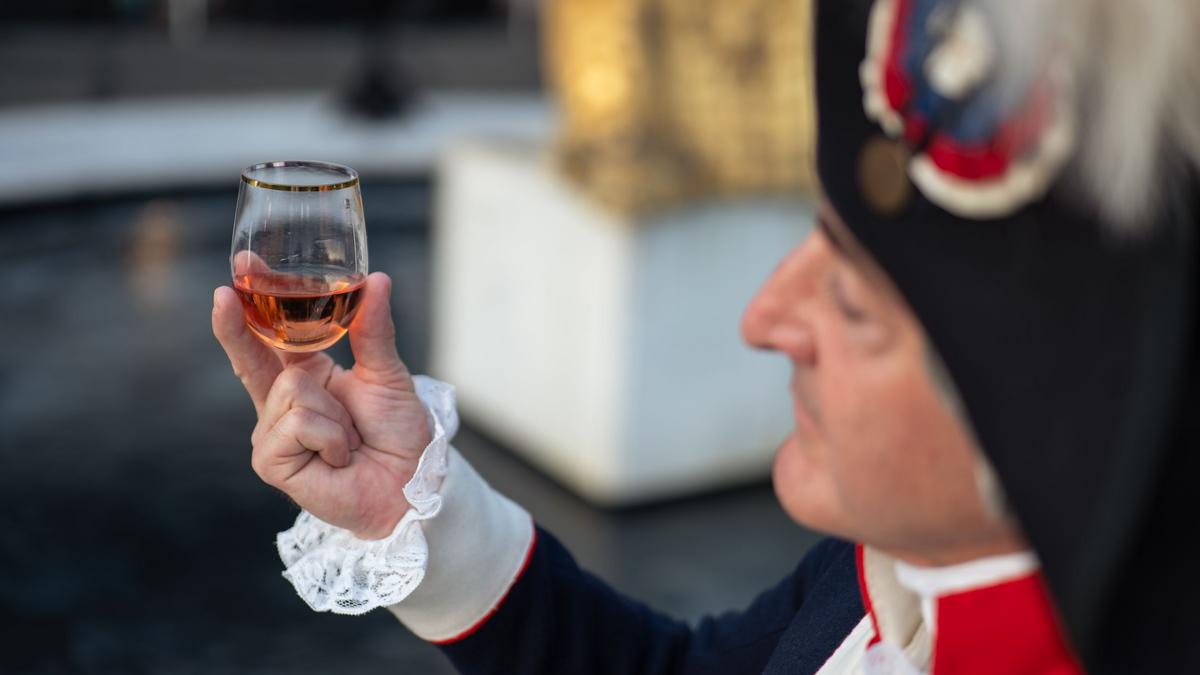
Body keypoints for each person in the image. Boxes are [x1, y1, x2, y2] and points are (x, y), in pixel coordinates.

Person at [213, 1, 1199, 672]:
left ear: (1039, 404)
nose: (765, 317)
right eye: (815, 239)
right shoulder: (901, 559)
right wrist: (414, 514)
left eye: (855, 302)